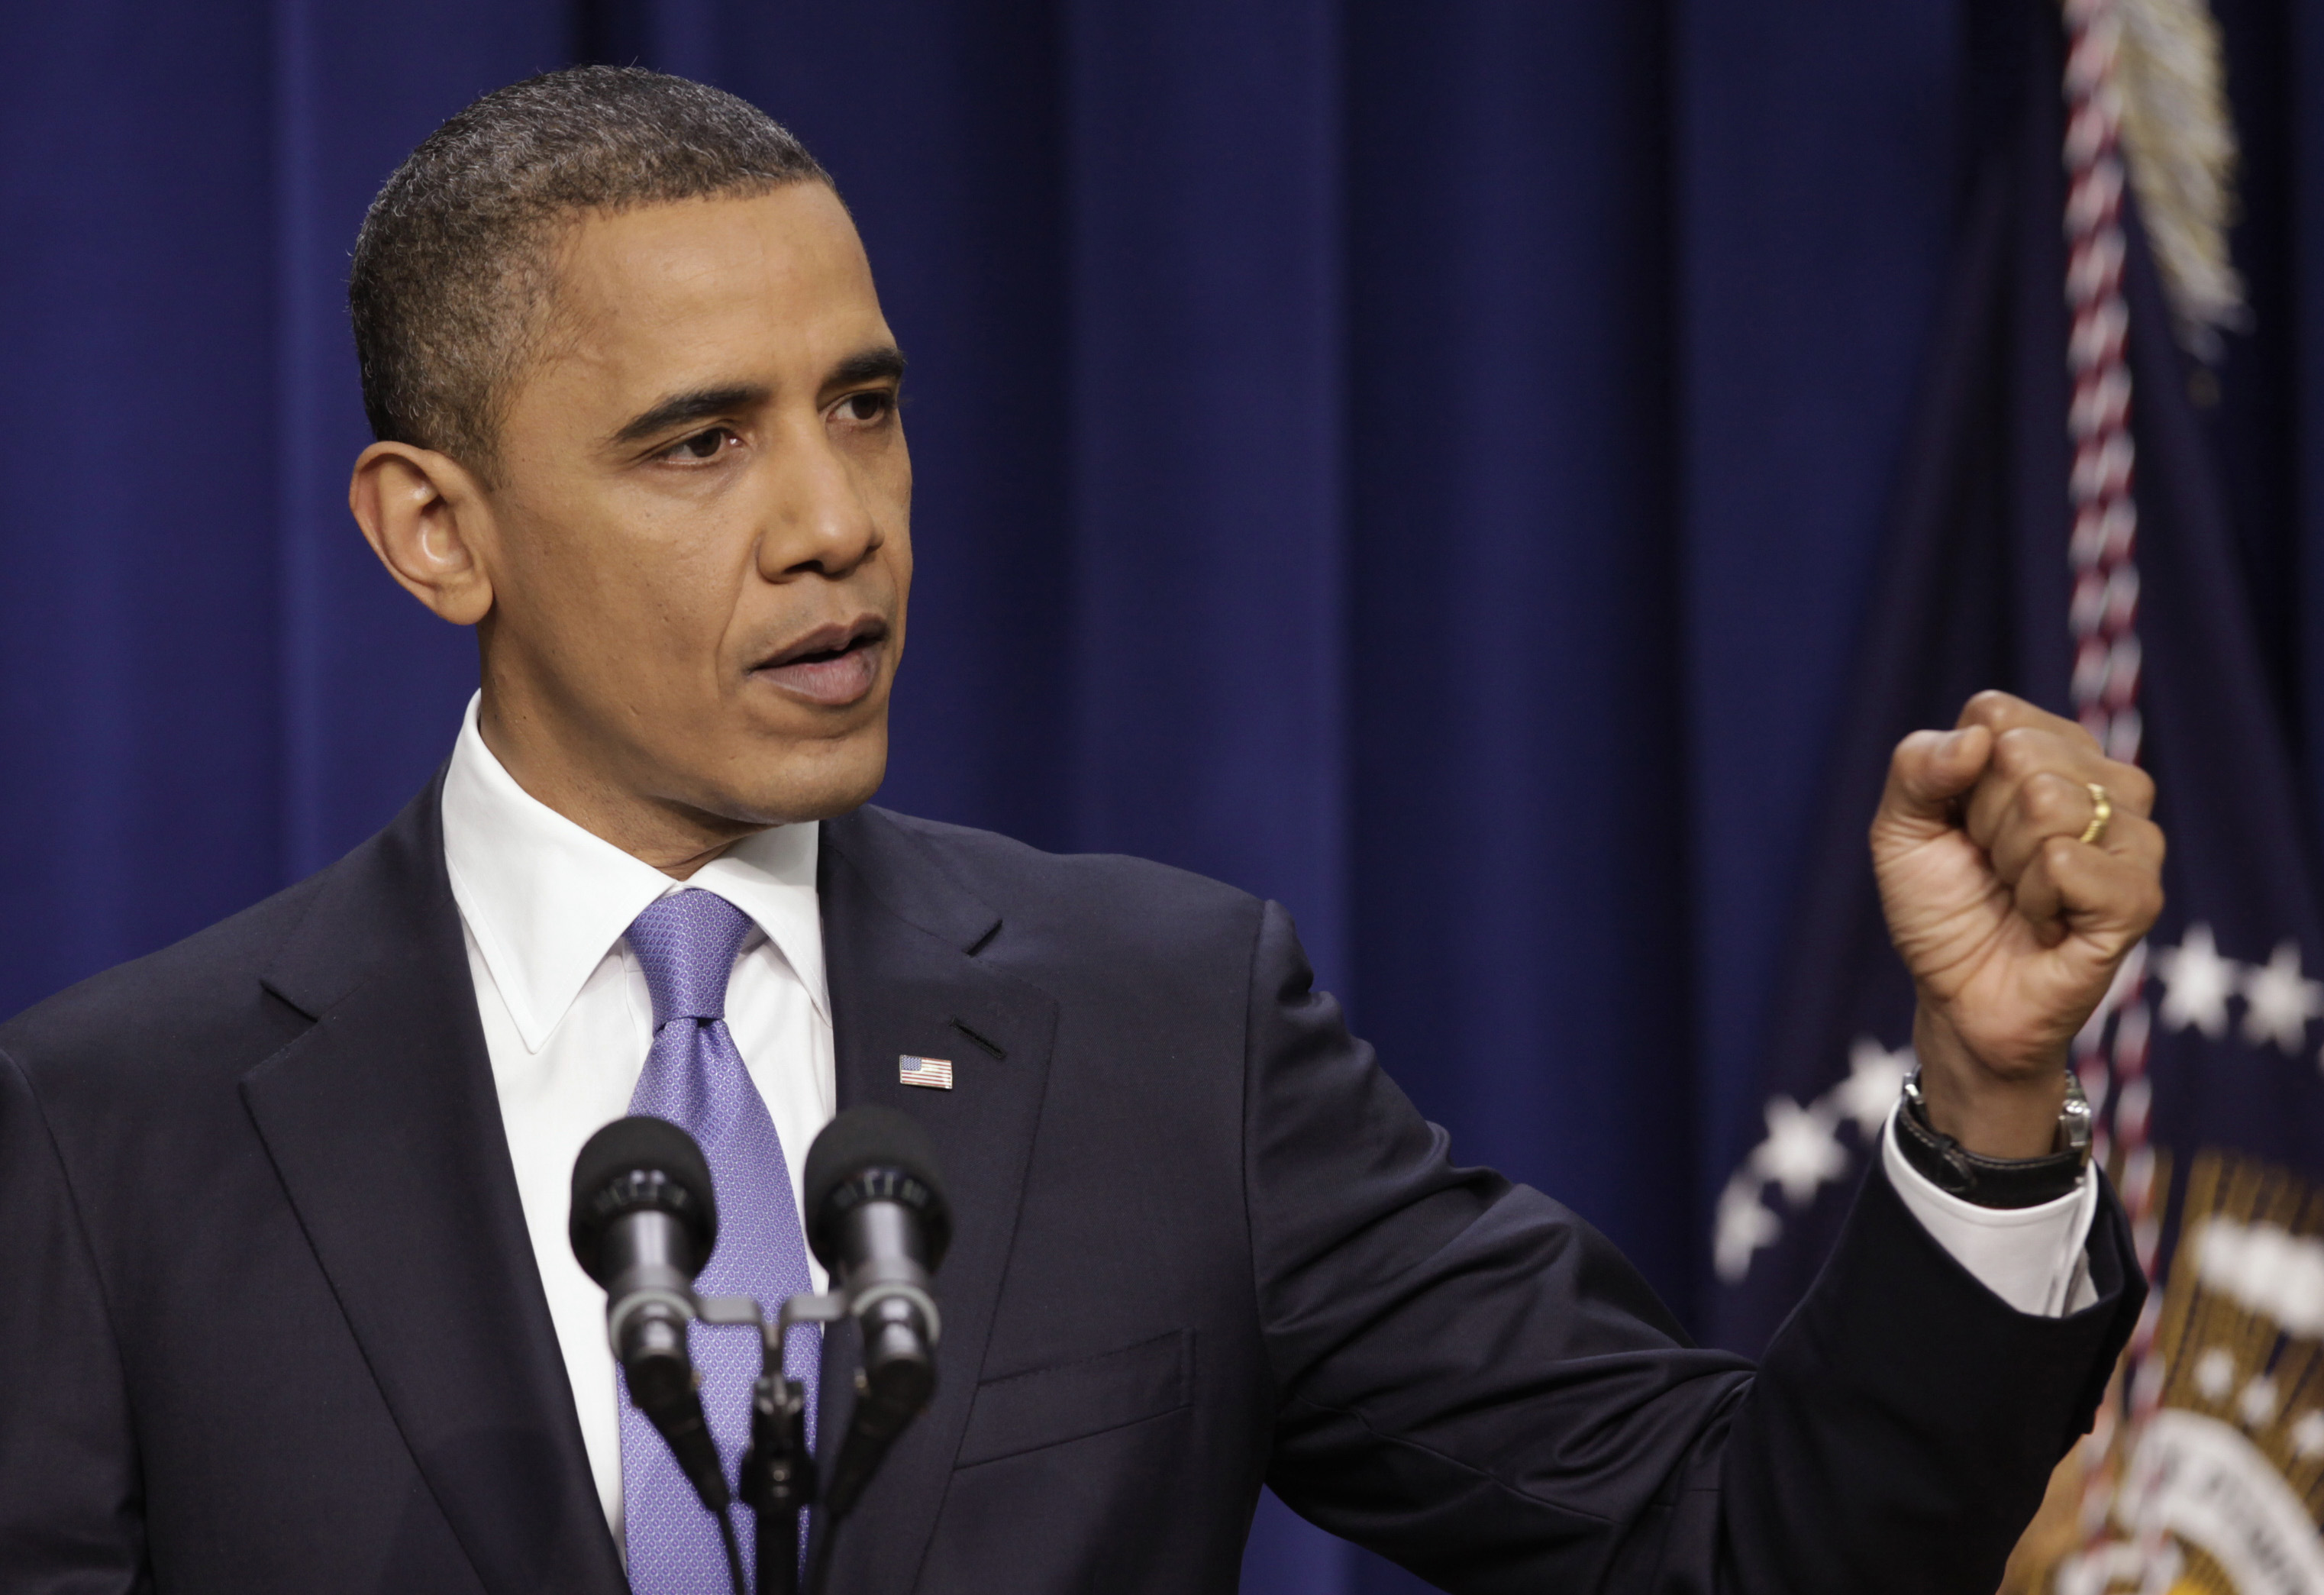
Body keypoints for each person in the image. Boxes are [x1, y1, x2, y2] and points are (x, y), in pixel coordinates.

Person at [0, 67, 2163, 1595]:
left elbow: (1738, 1547)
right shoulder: (115, 1131)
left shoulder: (1166, 1028)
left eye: (863, 403)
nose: (836, 520)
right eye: (696, 443)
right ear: (435, 532)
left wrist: (1986, 1096)